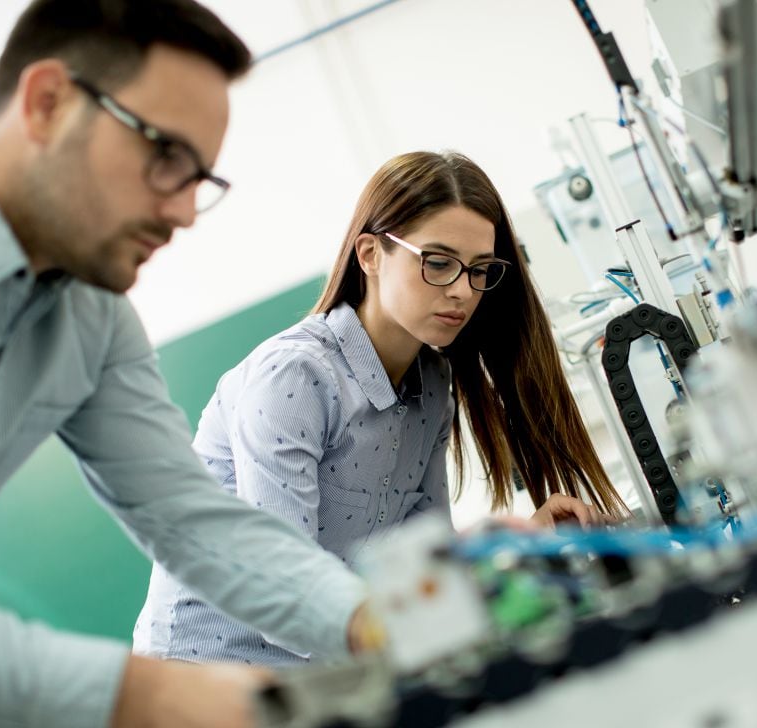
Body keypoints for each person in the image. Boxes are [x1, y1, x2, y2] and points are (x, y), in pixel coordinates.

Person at [0, 1, 377, 726]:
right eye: (166, 157)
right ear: (47, 103)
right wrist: (142, 692)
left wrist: (379, 621)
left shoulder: (93, 319)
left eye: (200, 180)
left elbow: (195, 523)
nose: (184, 213)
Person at [134, 151, 632, 667]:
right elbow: (287, 602)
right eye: (437, 262)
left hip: (324, 669)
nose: (462, 290)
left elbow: (425, 564)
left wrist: (517, 550)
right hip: (204, 677)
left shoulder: (432, 387)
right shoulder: (296, 378)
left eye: (480, 270)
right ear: (370, 254)